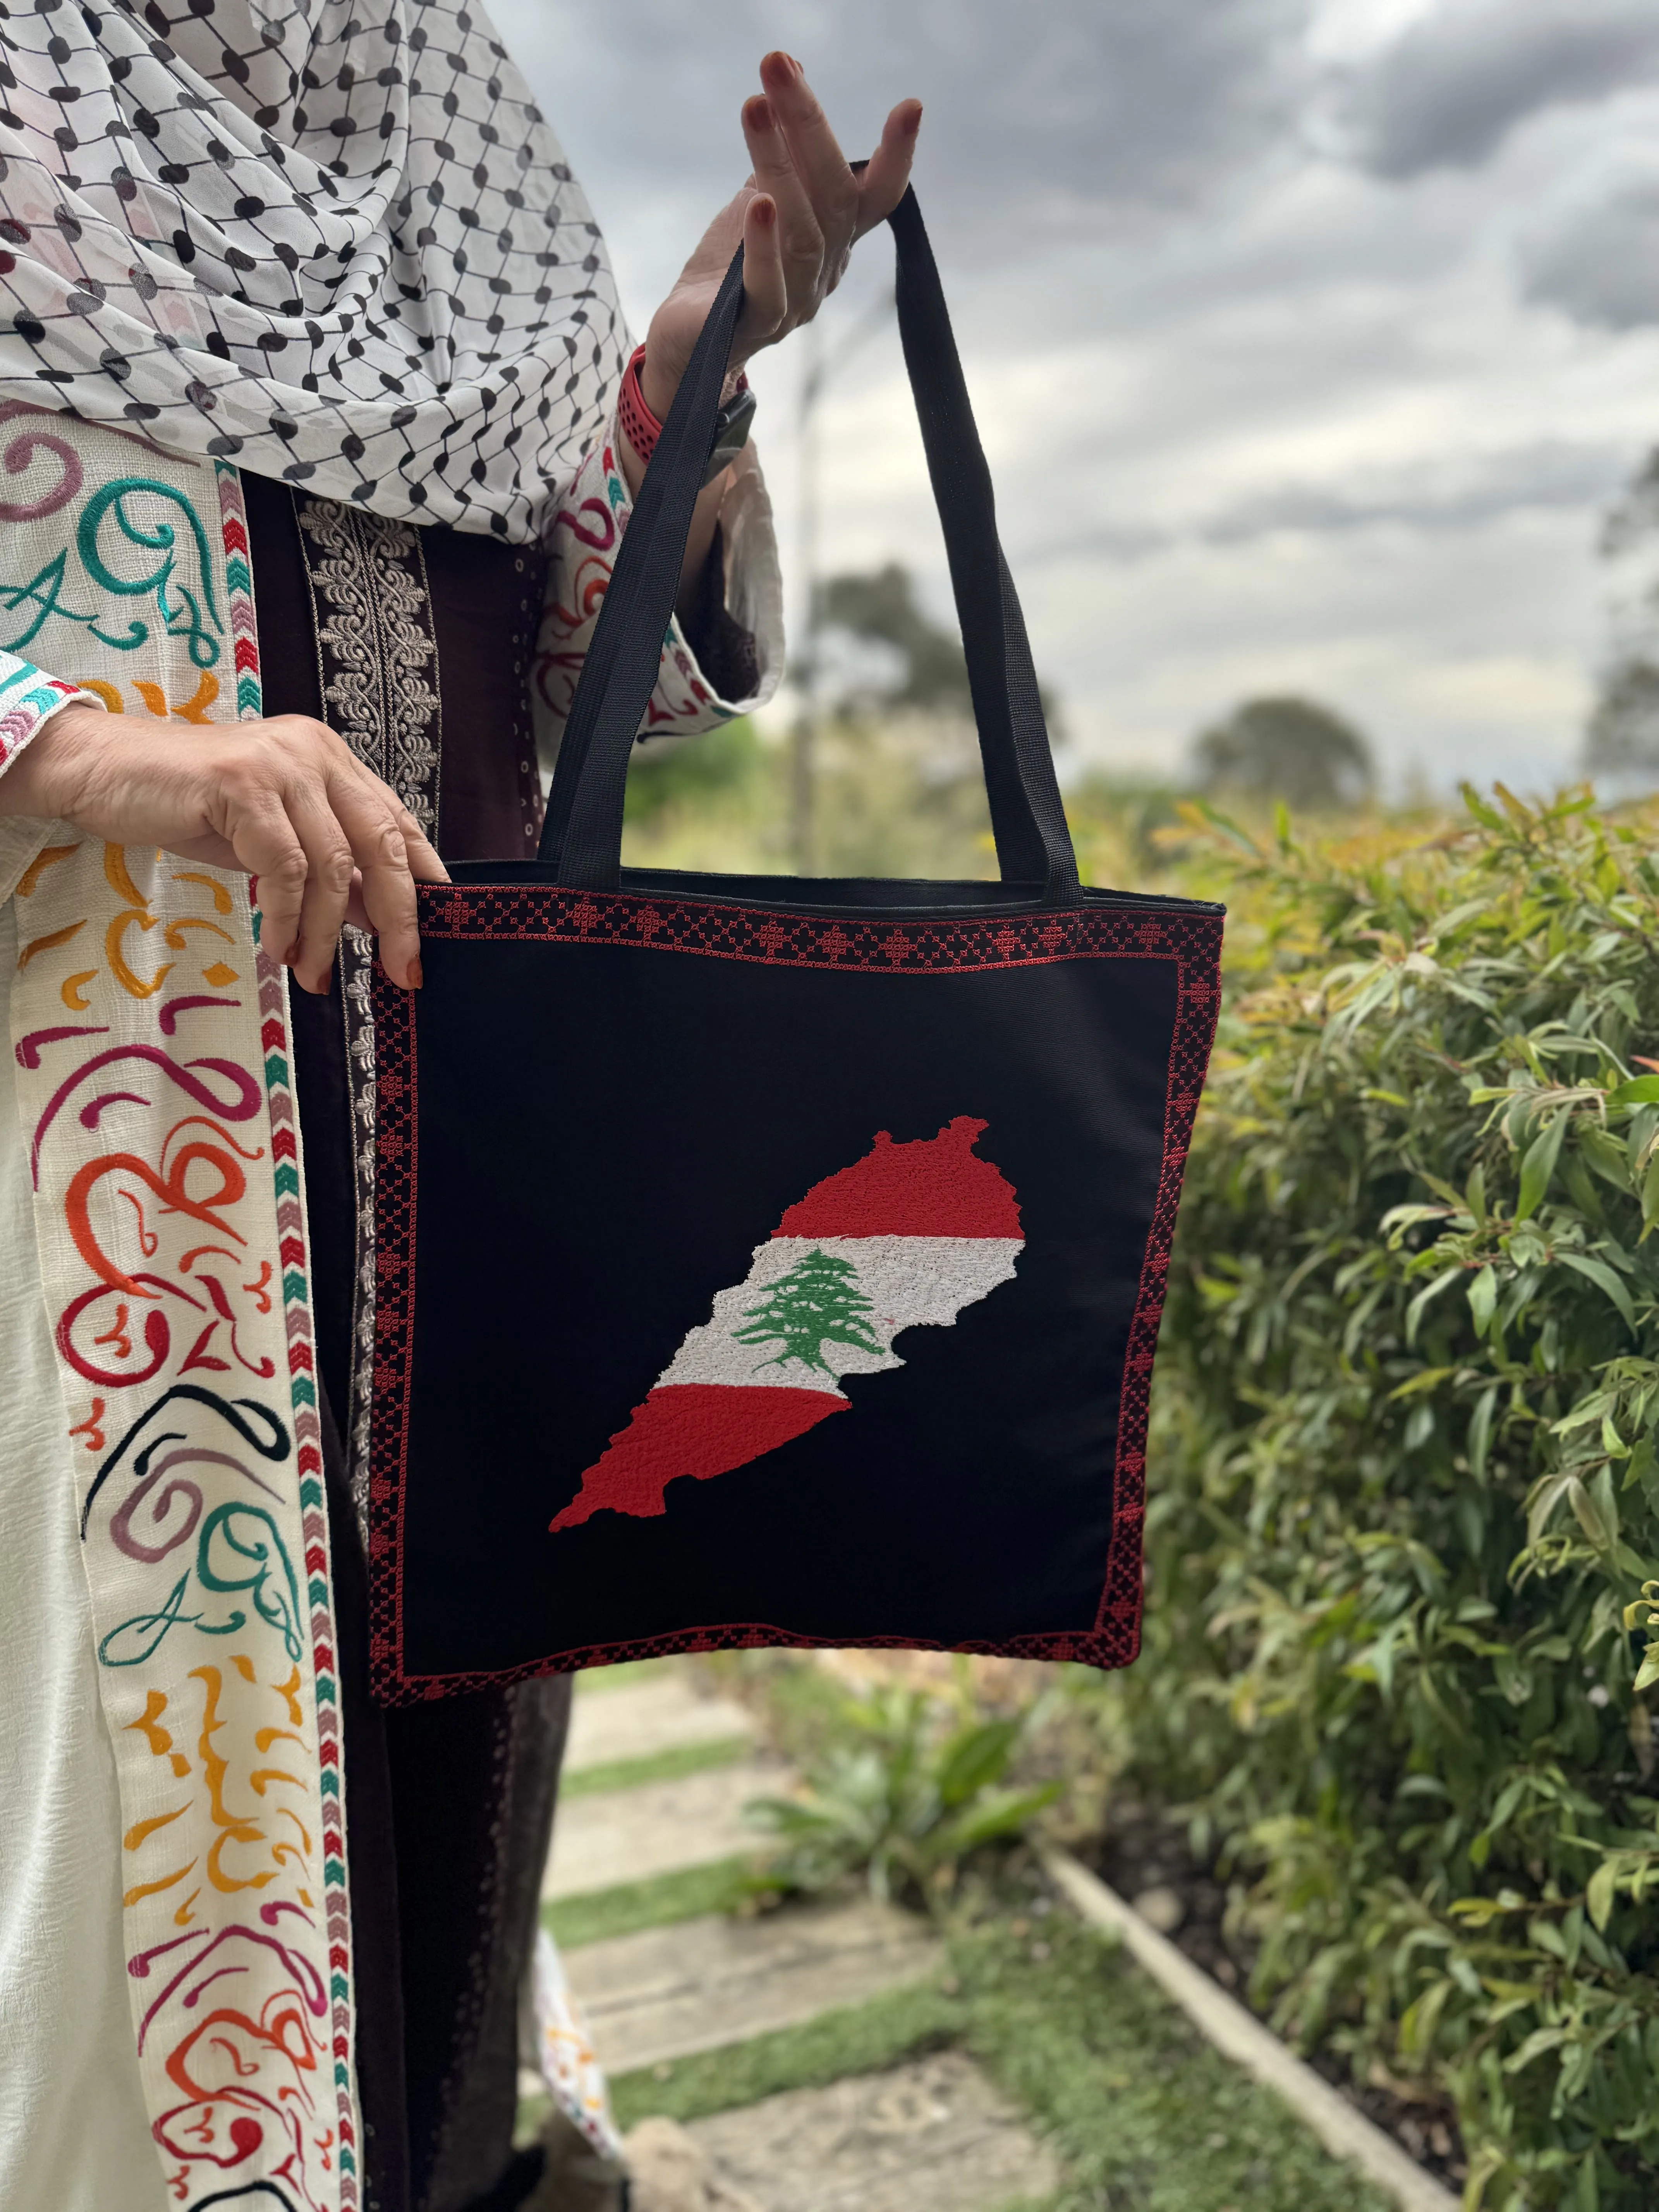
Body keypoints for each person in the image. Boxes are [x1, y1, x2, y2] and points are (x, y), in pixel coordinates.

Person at [0, 9, 918, 2208]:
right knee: (132, 1789)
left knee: (454, 1743)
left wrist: (687, 379)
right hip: (109, 1158)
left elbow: (618, 672)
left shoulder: (438, 143)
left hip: (463, 1133)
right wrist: (91, 749)